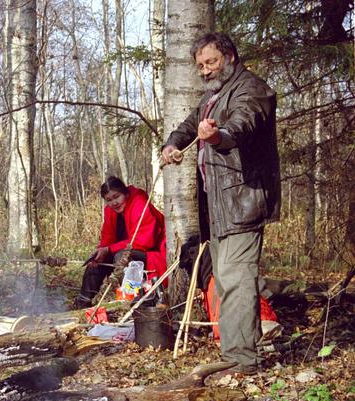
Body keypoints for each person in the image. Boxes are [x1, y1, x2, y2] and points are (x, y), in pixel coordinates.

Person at [161, 33, 281, 376]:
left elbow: (241, 126)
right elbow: (188, 127)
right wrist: (173, 144)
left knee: (237, 280)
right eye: (200, 65)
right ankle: (236, 354)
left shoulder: (252, 89)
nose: (205, 70)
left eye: (210, 62)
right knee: (225, 280)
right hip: (218, 208)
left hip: (243, 202)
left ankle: (242, 360)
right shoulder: (213, 96)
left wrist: (217, 136)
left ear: (229, 56)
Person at [74, 176, 167, 308]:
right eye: (109, 200)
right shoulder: (110, 211)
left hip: (154, 253)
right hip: (130, 251)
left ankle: (134, 300)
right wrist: (101, 252)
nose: (114, 203)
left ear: (125, 193)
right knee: (95, 263)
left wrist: (110, 249)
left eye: (117, 197)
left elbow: (145, 241)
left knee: (122, 257)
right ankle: (82, 304)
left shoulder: (139, 202)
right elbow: (107, 239)